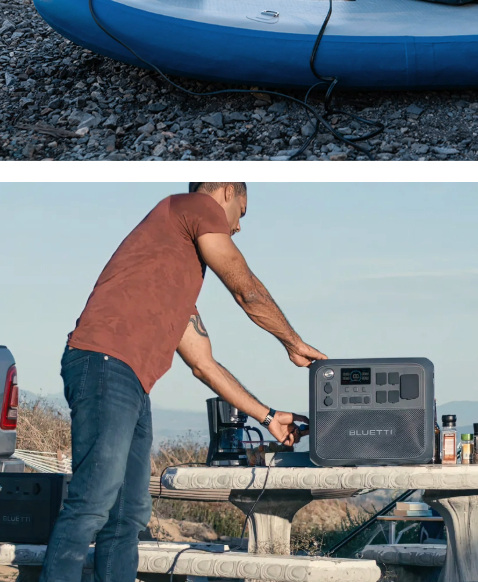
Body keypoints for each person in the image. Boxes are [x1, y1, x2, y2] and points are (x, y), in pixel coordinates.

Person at [42, 183, 327, 582]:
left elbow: (205, 365)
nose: (238, 228)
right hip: (104, 363)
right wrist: (292, 342)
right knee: (91, 502)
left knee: (127, 515)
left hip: (132, 382)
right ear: (227, 190)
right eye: (241, 213)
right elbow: (246, 291)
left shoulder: (170, 279)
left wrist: (268, 416)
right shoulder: (195, 205)